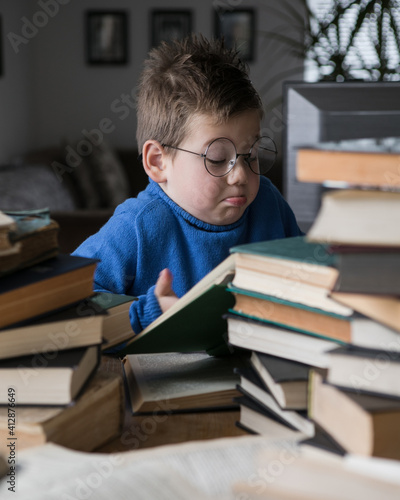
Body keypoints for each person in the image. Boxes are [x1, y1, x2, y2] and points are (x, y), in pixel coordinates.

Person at [72, 34, 302, 335]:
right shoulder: (137, 227)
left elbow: (308, 276)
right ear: (158, 162)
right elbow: (68, 303)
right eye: (218, 159)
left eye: (252, 155)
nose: (240, 175)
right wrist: (146, 315)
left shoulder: (268, 203)